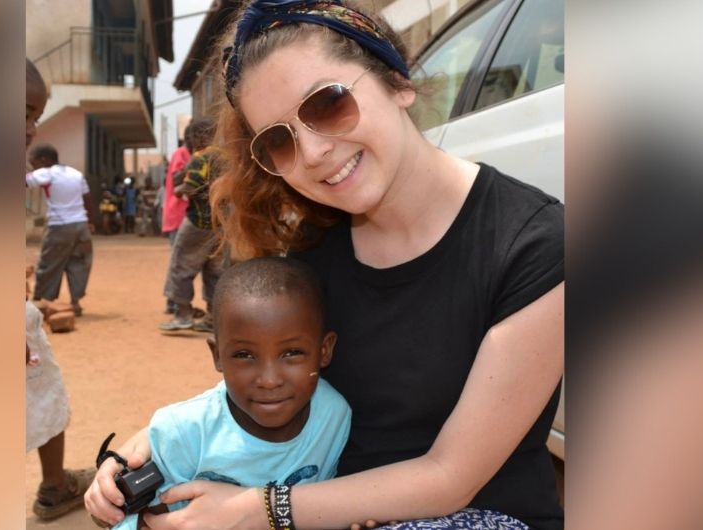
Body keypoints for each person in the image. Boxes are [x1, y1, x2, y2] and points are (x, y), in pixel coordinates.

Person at [86, 1, 564, 529]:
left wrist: (261, 510)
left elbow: (451, 477)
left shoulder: (535, 247)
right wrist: (151, 445)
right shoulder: (314, 251)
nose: (311, 152)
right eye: (278, 140)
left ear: (398, 83)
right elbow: (267, 377)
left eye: (328, 103)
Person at [111, 256, 350, 530]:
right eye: (244, 355)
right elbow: (132, 519)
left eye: (292, 353)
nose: (269, 380)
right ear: (217, 356)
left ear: (324, 350)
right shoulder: (183, 433)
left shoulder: (333, 415)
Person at [25, 58, 94, 521]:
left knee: (40, 383)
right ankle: (53, 486)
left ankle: (54, 485)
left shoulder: (41, 174)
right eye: (24, 112)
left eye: (34, 115)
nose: (30, 126)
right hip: (81, 225)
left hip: (58, 228)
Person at [158, 118, 225, 333]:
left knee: (181, 266)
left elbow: (190, 188)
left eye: (192, 137)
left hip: (197, 221)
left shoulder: (200, 157)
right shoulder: (226, 158)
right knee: (214, 271)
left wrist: (178, 189)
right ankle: (213, 318)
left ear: (198, 136)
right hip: (221, 224)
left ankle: (183, 314)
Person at [27, 143, 95, 316]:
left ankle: (40, 302)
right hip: (81, 225)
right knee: (78, 263)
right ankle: (76, 302)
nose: (33, 168)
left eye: (33, 163)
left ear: (44, 160)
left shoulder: (47, 173)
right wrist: (91, 222)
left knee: (49, 263)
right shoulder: (76, 174)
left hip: (59, 226)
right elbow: (87, 198)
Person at [160, 137, 192, 314]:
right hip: (179, 214)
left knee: (182, 261)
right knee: (178, 261)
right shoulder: (181, 154)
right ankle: (173, 301)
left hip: (185, 214)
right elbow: (177, 180)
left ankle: (176, 301)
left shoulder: (189, 154)